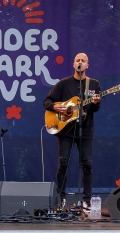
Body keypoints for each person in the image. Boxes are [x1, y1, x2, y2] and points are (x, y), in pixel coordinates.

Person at [43, 53, 101, 211]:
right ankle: (61, 199)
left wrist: (95, 103)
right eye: (78, 60)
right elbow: (47, 101)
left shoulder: (93, 84)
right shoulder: (63, 84)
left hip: (86, 130)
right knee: (63, 163)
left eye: (83, 61)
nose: (80, 62)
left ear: (87, 65)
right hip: (66, 131)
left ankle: (87, 200)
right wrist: (55, 107)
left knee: (87, 164)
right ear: (73, 64)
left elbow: (94, 109)